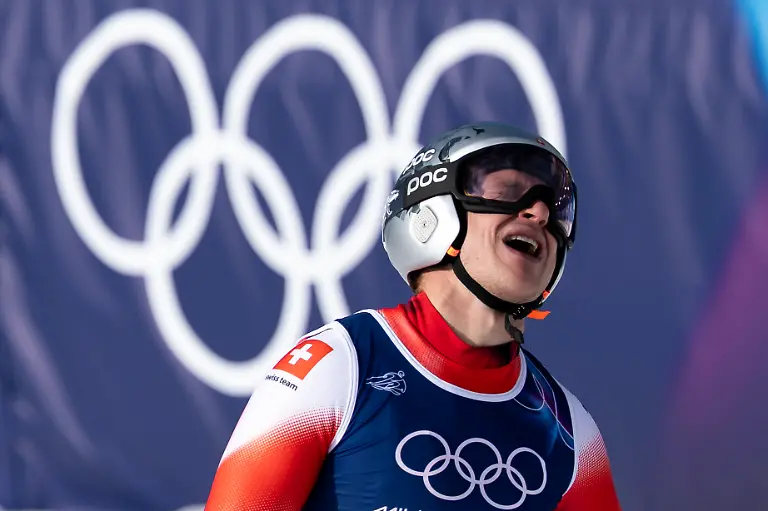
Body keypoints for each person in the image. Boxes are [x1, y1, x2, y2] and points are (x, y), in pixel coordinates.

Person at [203, 121, 622, 510]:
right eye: (507, 192)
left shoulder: (572, 431)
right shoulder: (338, 365)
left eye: (555, 208)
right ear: (433, 214)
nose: (540, 213)